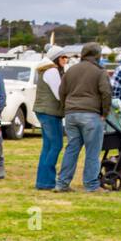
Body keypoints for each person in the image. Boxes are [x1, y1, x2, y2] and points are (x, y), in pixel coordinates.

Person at [55, 41, 112, 192]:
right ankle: (92, 185)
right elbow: (106, 93)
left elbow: (62, 91)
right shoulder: (99, 71)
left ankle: (62, 184)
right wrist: (104, 113)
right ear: (97, 55)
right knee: (92, 152)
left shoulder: (71, 70)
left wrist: (66, 108)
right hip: (91, 114)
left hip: (71, 114)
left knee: (71, 149)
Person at [33, 46, 69, 189]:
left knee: (48, 146)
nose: (65, 60)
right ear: (56, 58)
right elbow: (59, 94)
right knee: (56, 145)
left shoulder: (45, 69)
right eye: (63, 57)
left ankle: (42, 181)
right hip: (50, 112)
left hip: (44, 111)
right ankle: (47, 181)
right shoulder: (52, 70)